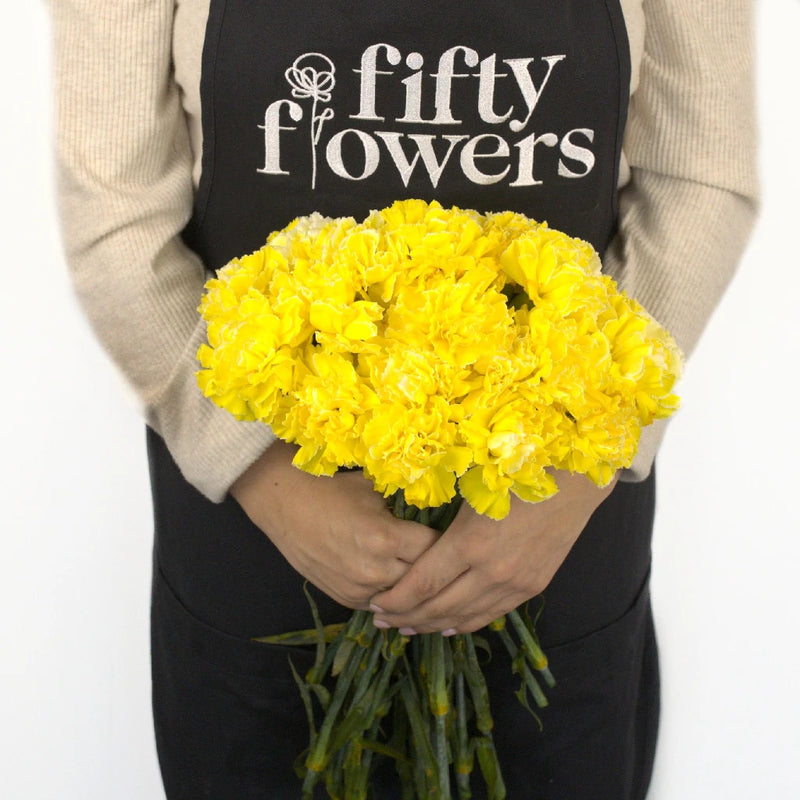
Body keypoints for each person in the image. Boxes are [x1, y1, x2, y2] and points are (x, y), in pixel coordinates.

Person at [50, 1, 758, 797]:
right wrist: (256, 470)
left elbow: (702, 175)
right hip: (258, 534)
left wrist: (574, 472)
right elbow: (114, 214)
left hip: (550, 531)